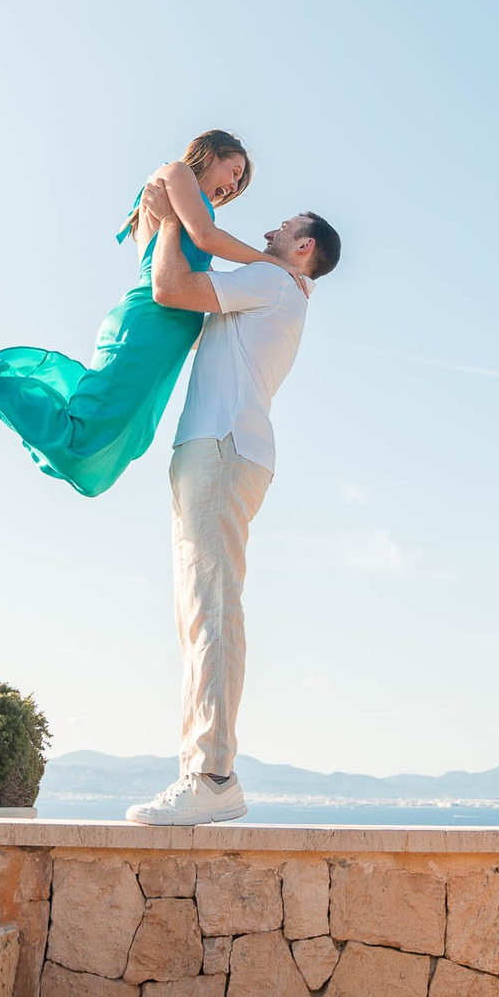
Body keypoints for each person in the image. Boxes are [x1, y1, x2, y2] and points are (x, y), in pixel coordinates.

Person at [124, 196, 341, 827]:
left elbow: (170, 288)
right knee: (200, 613)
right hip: (218, 449)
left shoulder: (272, 280)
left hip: (222, 448)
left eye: (287, 226)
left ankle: (213, 774)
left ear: (304, 248)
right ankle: (203, 770)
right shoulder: (280, 284)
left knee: (211, 608)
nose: (272, 228)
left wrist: (168, 216)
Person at [0, 131, 269, 497]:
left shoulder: (186, 205)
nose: (234, 184)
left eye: (239, 179)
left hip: (170, 335)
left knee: (117, 448)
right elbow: (204, 238)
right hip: (152, 322)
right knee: (85, 447)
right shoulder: (176, 173)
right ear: (210, 153)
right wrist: (274, 264)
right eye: (233, 170)